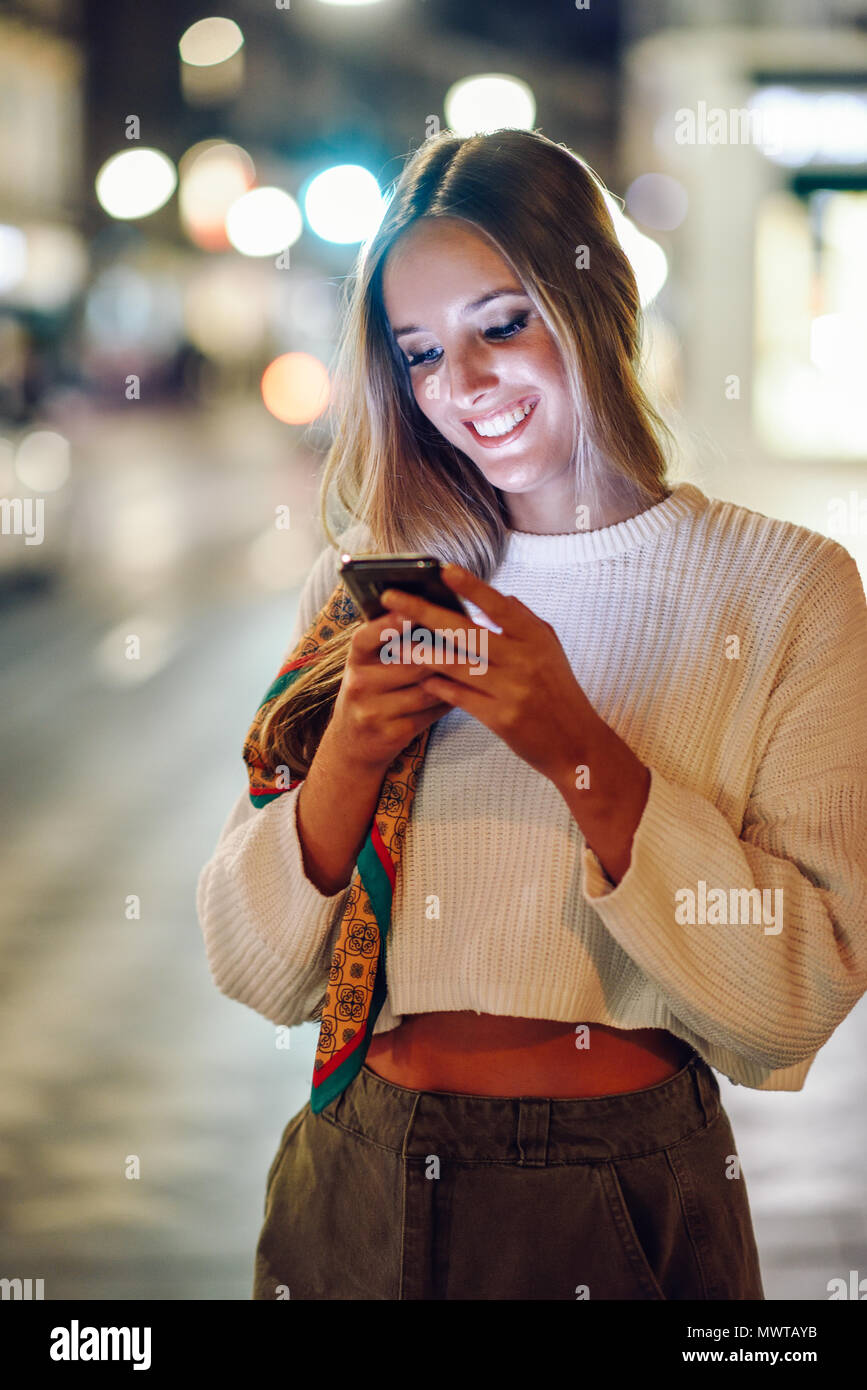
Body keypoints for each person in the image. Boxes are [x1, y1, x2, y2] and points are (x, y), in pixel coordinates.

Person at [196, 128, 867, 1300]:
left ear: (595, 298)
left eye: (502, 324)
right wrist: (352, 750)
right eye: (419, 353)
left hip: (613, 1188)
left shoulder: (786, 587)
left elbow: (798, 996)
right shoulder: (381, 581)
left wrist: (578, 749)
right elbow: (256, 969)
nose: (462, 386)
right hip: (353, 1168)